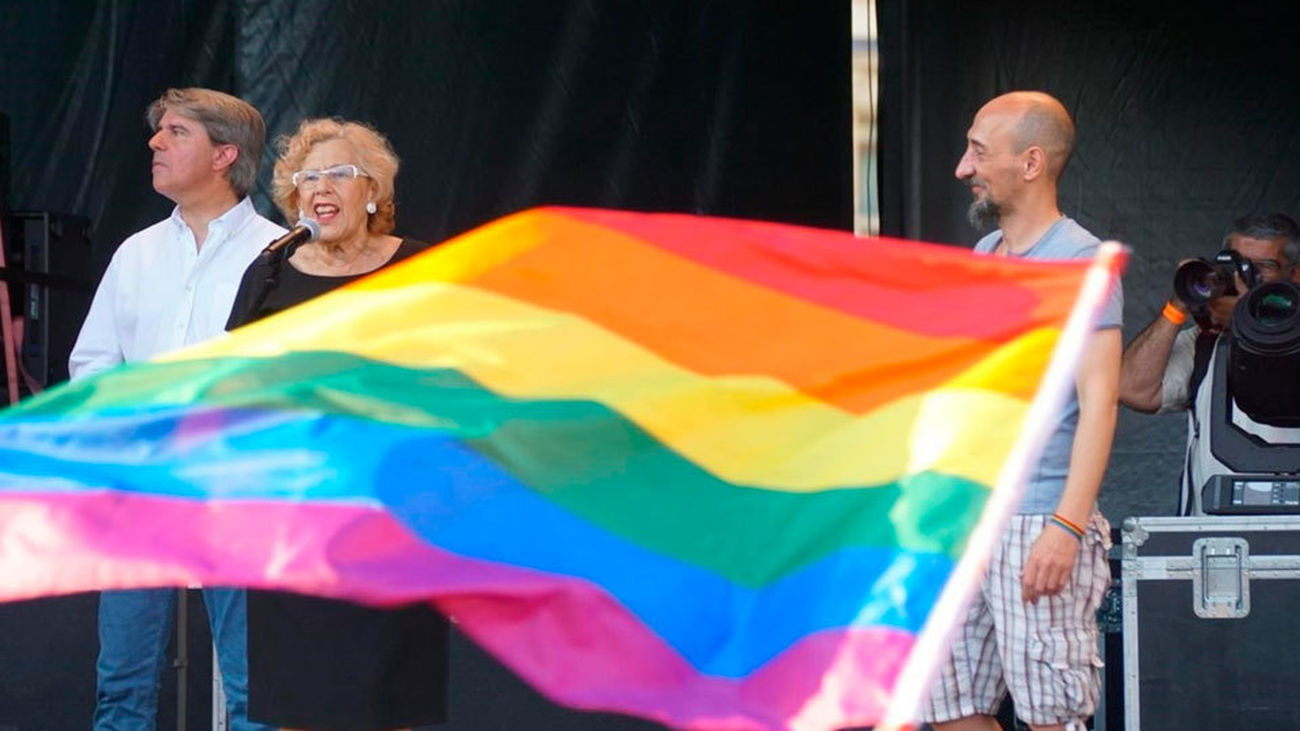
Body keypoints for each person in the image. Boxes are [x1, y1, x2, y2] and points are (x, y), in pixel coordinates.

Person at [69, 87, 285, 730]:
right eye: (158, 130)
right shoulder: (136, 252)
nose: (155, 143)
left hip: (236, 487)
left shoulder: (278, 255)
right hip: (142, 484)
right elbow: (93, 363)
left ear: (225, 154)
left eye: (175, 132)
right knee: (122, 683)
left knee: (252, 688)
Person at [225, 117, 449, 730]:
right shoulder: (270, 272)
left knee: (388, 698)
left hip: (390, 517)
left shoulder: (419, 272)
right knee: (299, 697)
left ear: (373, 191)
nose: (319, 187)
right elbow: (236, 390)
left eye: (339, 174)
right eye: (307, 177)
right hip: (296, 525)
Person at [922, 91, 1123, 731]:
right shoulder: (985, 256)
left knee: (1051, 714)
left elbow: (1098, 405)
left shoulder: (1080, 262)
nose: (962, 167)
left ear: (1031, 163)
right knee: (948, 702)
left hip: (1039, 517)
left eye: (978, 151)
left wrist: (1065, 526)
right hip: (969, 517)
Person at [1118, 213, 1300, 515]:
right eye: (1236, 264)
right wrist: (1179, 303)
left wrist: (1246, 320)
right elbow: (1131, 389)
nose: (1244, 277)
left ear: (1295, 275)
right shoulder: (1204, 342)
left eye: (1263, 267)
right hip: (1211, 539)